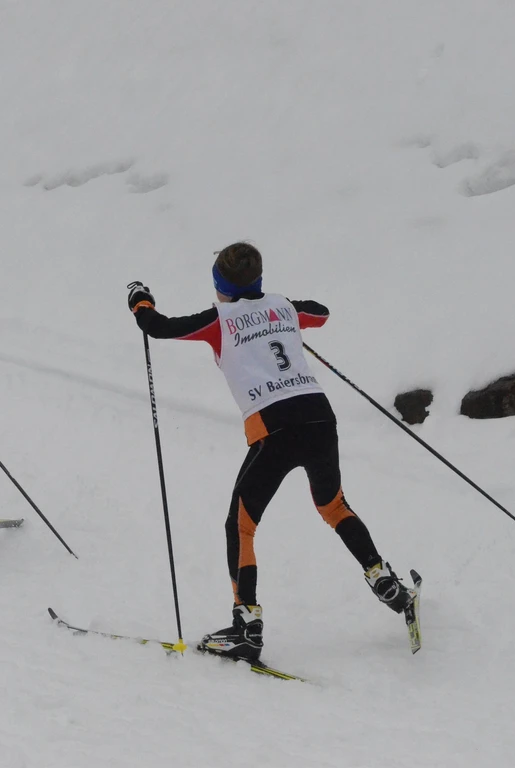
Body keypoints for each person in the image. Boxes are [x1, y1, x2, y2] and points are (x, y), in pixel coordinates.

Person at [127, 241, 413, 662]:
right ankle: (382, 577)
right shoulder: (284, 307)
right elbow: (322, 311)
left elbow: (159, 327)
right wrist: (278, 317)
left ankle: (247, 627)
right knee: (333, 506)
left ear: (219, 286)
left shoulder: (218, 319)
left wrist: (139, 299)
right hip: (319, 417)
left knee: (240, 526)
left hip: (274, 429)